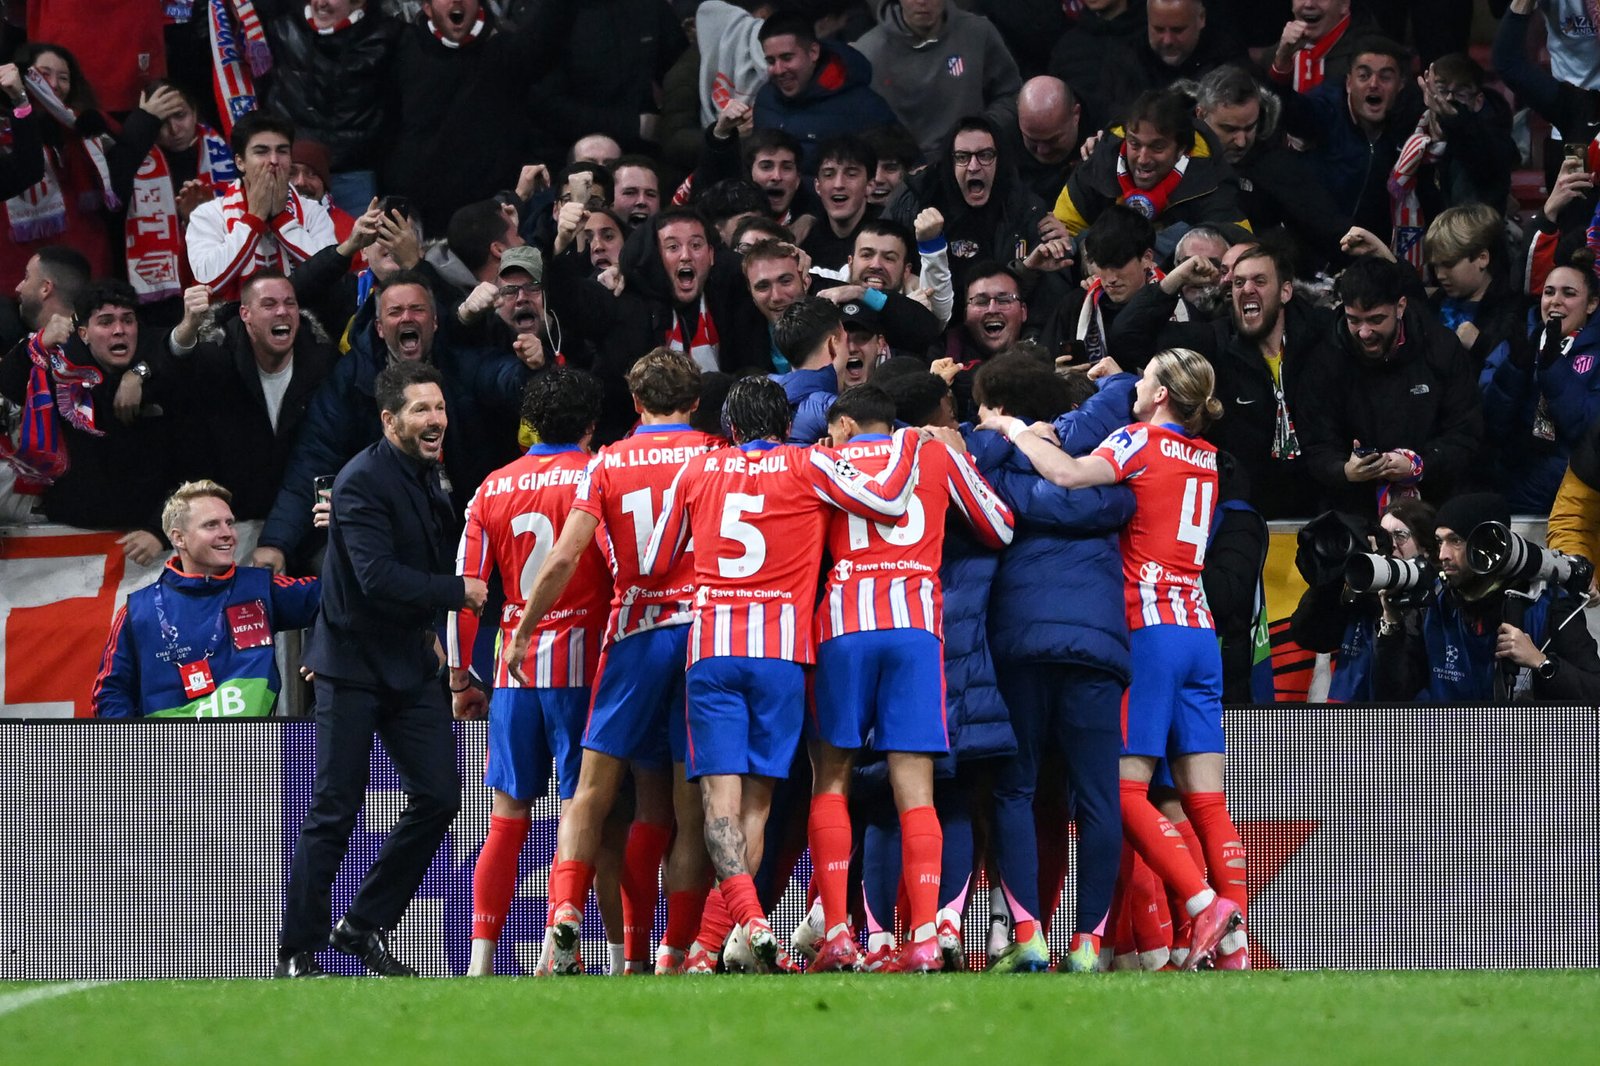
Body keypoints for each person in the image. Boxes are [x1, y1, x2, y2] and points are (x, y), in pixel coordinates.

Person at [638, 371, 922, 972]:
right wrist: (912, 443)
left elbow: (658, 557)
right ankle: (731, 936)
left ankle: (726, 937)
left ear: (730, 429)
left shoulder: (698, 471)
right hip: (780, 655)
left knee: (720, 803)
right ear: (788, 425)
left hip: (711, 648)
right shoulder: (808, 463)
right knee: (756, 808)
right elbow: (890, 503)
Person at [980, 347, 1249, 969]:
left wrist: (1018, 431)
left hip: (1149, 629)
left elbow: (1069, 476)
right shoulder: (1209, 460)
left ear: (1159, 395)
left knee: (1122, 792)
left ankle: (1199, 900)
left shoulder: (1137, 440)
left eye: (1145, 376)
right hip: (1198, 631)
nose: (1138, 384)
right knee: (1206, 799)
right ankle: (1235, 945)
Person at [506, 349, 721, 976]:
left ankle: (565, 916)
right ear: (695, 401)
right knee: (688, 809)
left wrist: (522, 630)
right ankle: (672, 952)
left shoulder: (607, 462)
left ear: (635, 403)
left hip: (632, 635)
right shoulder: (713, 453)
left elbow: (566, 555)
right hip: (700, 632)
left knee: (590, 794)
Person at [277, 361, 489, 979]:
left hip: (408, 662)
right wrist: (457, 592)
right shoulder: (362, 479)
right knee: (335, 809)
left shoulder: (431, 475)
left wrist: (433, 635)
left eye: (440, 408)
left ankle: (361, 925)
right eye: (422, 410)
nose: (436, 421)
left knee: (441, 797)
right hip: (350, 665)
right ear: (389, 419)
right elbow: (375, 578)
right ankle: (299, 949)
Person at [806, 382, 1014, 972]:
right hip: (917, 627)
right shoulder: (934, 453)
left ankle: (841, 934)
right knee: (915, 785)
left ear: (844, 424)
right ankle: (925, 935)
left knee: (834, 778)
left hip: (844, 625)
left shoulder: (824, 459)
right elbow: (999, 526)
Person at [448, 369, 613, 976]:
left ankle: (481, 959)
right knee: (582, 808)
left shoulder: (492, 486)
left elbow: (467, 593)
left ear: (531, 426)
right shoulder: (600, 475)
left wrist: (462, 679)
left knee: (508, 814)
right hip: (584, 660)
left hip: (513, 667)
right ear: (592, 426)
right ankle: (556, 944)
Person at [1113, 241, 1333, 519]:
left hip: (1318, 510)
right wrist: (1175, 279)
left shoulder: (1319, 335)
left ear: (1285, 291)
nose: (1247, 289)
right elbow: (1127, 339)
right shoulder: (1214, 342)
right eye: (1238, 282)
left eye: (1259, 280)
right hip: (1243, 513)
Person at [93, 481, 320, 718]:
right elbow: (110, 693)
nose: (228, 534)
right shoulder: (137, 610)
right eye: (211, 525)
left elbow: (335, 600)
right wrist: (137, 750)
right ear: (179, 538)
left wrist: (321, 651)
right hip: (167, 752)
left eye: (229, 523)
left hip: (251, 748)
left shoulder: (261, 588)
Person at [0, 278, 176, 559]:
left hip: (149, 540)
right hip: (67, 536)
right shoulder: (60, 371)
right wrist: (35, 345)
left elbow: (195, 466)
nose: (119, 330)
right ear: (83, 333)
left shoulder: (165, 372)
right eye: (106, 322)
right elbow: (8, 383)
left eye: (127, 320)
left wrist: (160, 529)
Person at [1298, 255, 1482, 516]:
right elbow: (1315, 444)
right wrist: (1343, 470)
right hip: (1354, 511)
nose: (1364, 332)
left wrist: (1419, 464)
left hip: (1433, 510)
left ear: (1400, 307)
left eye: (1375, 320)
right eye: (1353, 320)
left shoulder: (1441, 349)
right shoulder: (1325, 359)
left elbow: (1466, 434)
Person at [1374, 492, 1600, 704]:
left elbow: (1594, 691)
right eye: (1439, 541)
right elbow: (1393, 696)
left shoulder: (1545, 605)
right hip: (1446, 741)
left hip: (1520, 741)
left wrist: (1541, 662)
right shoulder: (1434, 602)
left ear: (1488, 547)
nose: (1442, 555)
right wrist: (1392, 626)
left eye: (1456, 541)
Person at [166, 273, 337, 523]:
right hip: (231, 518)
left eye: (290, 304)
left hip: (303, 517)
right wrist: (141, 372)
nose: (282, 312)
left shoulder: (323, 362)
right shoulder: (219, 356)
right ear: (245, 314)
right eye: (269, 305)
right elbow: (175, 367)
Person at [1481, 250, 1600, 515]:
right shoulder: (1516, 346)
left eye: (1568, 293)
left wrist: (1554, 369)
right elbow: (1490, 424)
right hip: (1512, 489)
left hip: (1579, 497)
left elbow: (1589, 426)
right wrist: (1514, 369)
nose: (1555, 302)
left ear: (1591, 304)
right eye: (1549, 292)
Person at [1053, 87, 1251, 245]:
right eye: (1135, 144)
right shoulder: (1102, 161)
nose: (1142, 159)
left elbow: (1241, 245)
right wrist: (1086, 255)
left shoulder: (1210, 180)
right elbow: (1061, 229)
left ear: (1181, 149)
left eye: (1157, 147)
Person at [260, 0, 400, 214]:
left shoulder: (387, 37)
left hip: (351, 176)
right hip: (290, 168)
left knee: (355, 246)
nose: (321, 2)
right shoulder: (283, 22)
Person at [185, 111, 337, 302]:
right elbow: (209, 281)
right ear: (240, 162)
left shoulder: (314, 212)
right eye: (261, 151)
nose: (273, 161)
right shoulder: (208, 214)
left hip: (303, 319)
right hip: (232, 324)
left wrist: (281, 219)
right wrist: (254, 218)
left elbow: (330, 274)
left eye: (282, 151)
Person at [855, 0, 1024, 163]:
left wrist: (982, 130)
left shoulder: (978, 33)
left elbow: (1011, 94)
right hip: (900, 173)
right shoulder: (868, 54)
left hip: (972, 161)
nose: (922, 1)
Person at [753, 12, 898, 174]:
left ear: (813, 52)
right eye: (771, 61)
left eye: (787, 58)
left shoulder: (863, 105)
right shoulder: (766, 99)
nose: (778, 70)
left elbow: (902, 164)